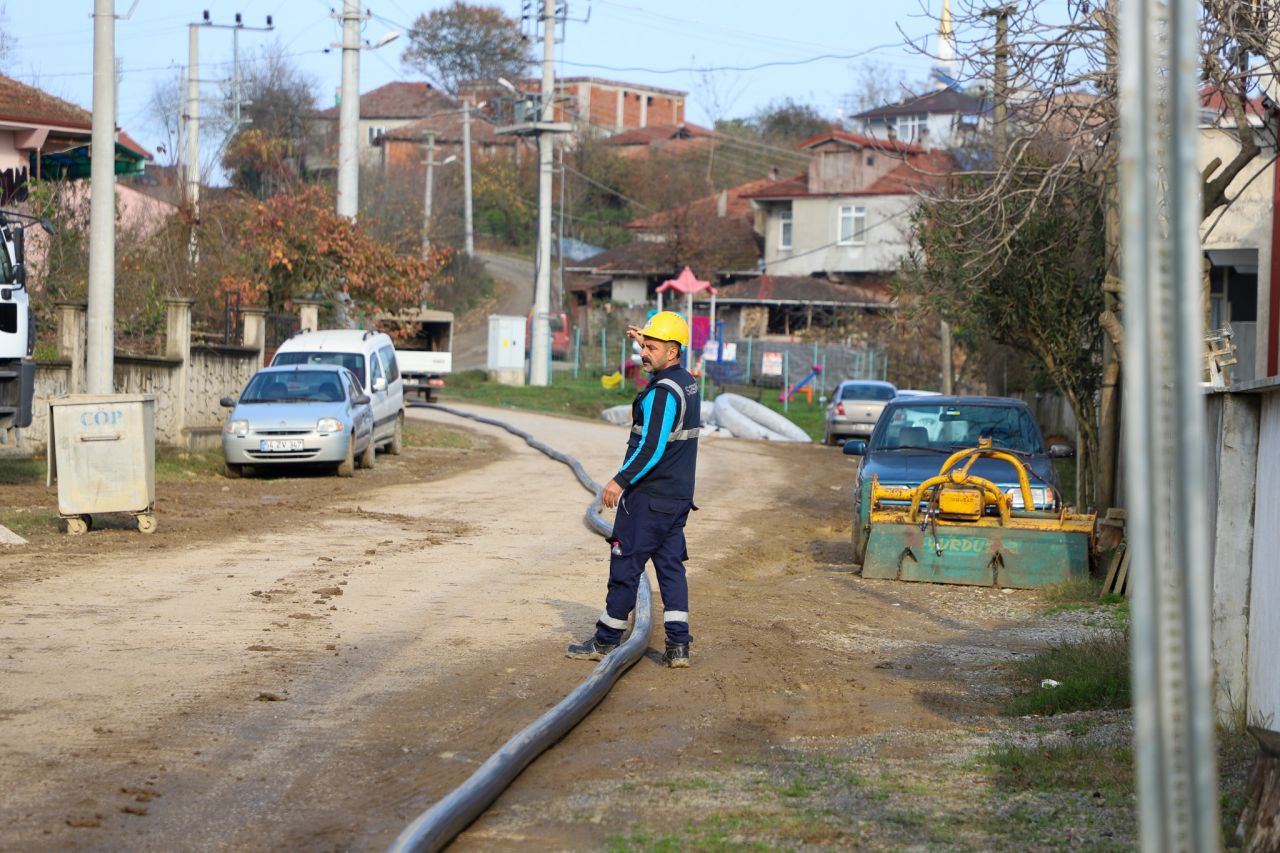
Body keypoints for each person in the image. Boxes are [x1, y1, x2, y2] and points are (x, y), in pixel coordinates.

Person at [567, 311, 701, 668]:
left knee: (625, 565)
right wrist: (645, 337)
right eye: (644, 345)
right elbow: (658, 355)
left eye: (651, 347)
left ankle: (606, 640)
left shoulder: (663, 394)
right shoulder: (685, 380)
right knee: (671, 568)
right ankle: (679, 646)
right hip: (676, 498)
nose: (644, 352)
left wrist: (620, 480)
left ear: (671, 352)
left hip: (649, 498)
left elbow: (652, 447)